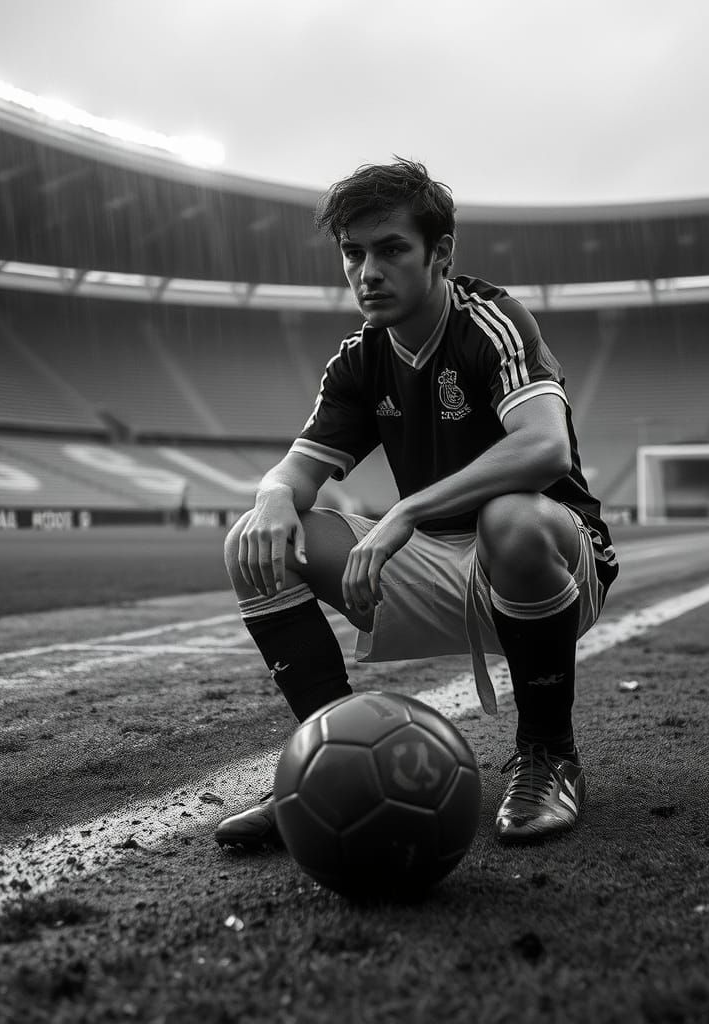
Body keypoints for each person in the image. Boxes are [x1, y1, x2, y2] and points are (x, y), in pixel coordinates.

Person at [215, 158, 618, 848]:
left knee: (509, 518)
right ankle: (326, 766)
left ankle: (549, 756)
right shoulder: (359, 359)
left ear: (441, 254)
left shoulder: (490, 321)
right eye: (353, 252)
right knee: (253, 543)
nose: (367, 271)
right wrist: (275, 495)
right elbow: (293, 471)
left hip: (550, 566)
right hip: (441, 567)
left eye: (392, 249)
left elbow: (545, 448)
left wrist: (404, 513)